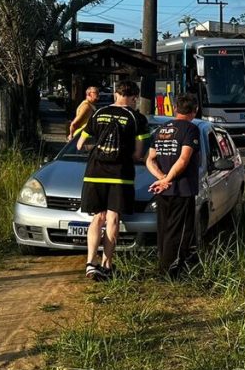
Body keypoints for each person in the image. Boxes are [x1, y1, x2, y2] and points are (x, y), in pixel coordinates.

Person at [77, 80, 150, 281]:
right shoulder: (137, 118)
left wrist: (95, 151)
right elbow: (137, 154)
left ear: (116, 94)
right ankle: (107, 265)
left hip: (94, 171)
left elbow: (80, 144)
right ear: (134, 97)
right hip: (120, 174)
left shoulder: (98, 113)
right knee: (112, 218)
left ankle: (90, 263)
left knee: (97, 217)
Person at [146, 94, 201, 277]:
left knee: (165, 230)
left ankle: (164, 265)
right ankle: (170, 272)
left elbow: (150, 160)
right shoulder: (191, 129)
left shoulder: (161, 129)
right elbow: (184, 159)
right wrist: (167, 179)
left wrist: (161, 178)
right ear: (194, 111)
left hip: (164, 190)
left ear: (175, 109)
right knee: (180, 231)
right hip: (182, 189)